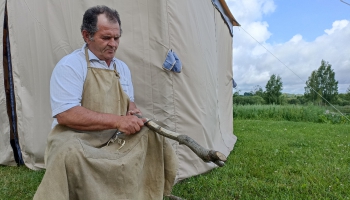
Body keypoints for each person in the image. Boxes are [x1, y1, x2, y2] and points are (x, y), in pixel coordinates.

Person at [34, 5, 178, 200]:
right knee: (68, 152)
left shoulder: (122, 68)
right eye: (106, 38)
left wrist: (132, 112)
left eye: (116, 38)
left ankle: (147, 191)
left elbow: (128, 104)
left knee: (151, 136)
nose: (113, 44)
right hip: (76, 136)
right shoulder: (70, 66)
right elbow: (65, 114)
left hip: (113, 137)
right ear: (87, 36)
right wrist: (118, 121)